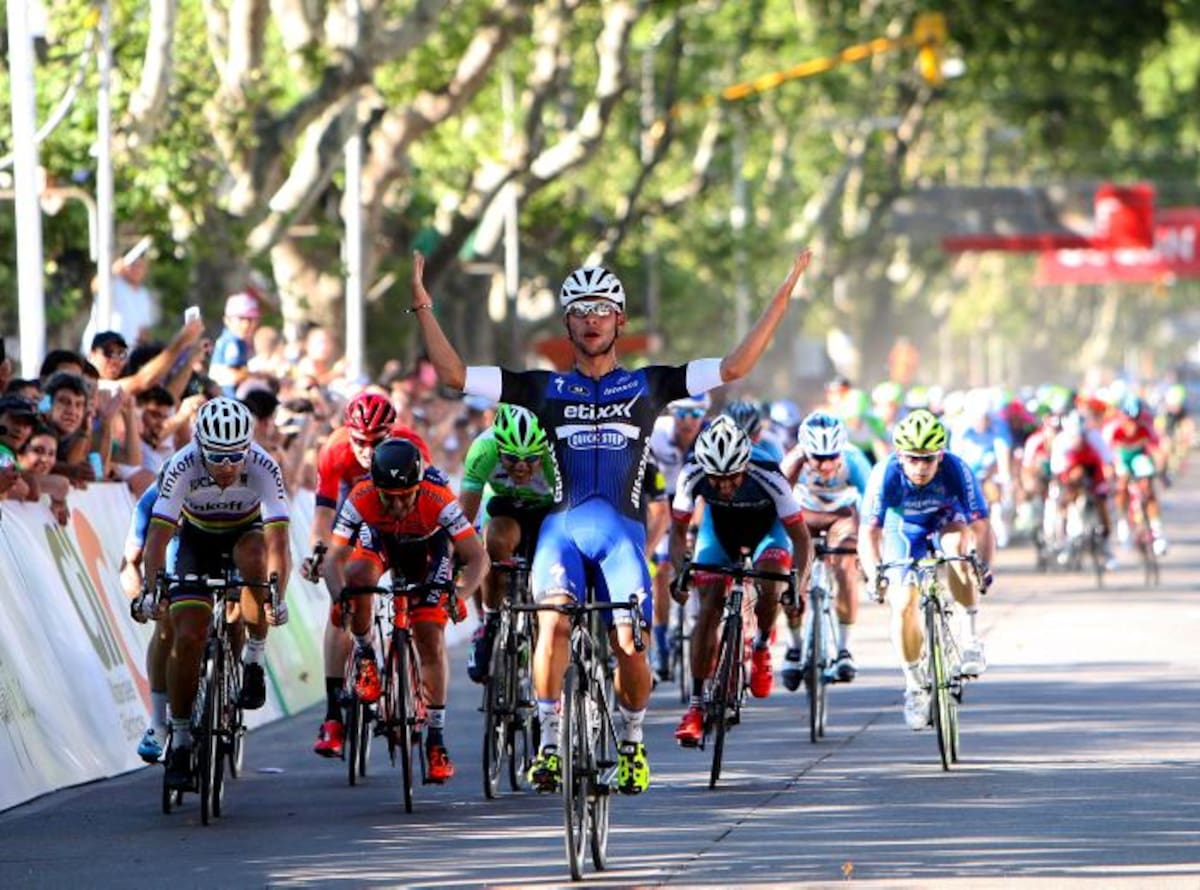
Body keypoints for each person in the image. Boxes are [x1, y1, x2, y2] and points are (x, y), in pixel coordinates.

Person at [411, 246, 812, 794]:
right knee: (552, 621)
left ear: (620, 320)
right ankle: (549, 743)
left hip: (622, 536)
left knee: (629, 640)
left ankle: (631, 742)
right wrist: (423, 305)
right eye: (580, 311)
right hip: (562, 532)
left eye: (602, 309)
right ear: (567, 323)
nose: (591, 320)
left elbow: (733, 367)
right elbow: (454, 374)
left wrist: (783, 295)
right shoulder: (543, 389)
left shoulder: (649, 385)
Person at [133, 397, 292, 789]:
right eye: (217, 457)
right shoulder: (182, 465)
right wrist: (152, 589)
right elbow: (158, 538)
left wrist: (277, 596)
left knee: (256, 558)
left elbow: (278, 544)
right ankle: (180, 739)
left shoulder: (264, 466)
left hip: (244, 534)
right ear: (200, 445)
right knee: (187, 634)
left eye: (236, 456)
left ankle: (253, 659)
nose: (227, 466)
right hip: (196, 540)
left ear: (248, 447)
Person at [322, 438, 489, 782]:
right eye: (389, 497)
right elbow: (333, 560)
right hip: (380, 542)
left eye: (406, 496)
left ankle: (436, 740)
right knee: (357, 578)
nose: (398, 505)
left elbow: (478, 558)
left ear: (419, 486)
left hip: (427, 549)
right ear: (376, 488)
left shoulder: (438, 497)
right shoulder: (362, 495)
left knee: (429, 635)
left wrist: (459, 595)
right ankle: (366, 655)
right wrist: (341, 598)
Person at [303, 391, 432, 758]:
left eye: (375, 442)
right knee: (342, 602)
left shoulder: (411, 446)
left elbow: (425, 504)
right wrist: (319, 552)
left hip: (401, 521)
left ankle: (406, 691)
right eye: (359, 440)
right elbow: (323, 515)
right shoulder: (335, 449)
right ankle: (333, 716)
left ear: (392, 434)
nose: (365, 450)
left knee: (419, 602)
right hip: (355, 516)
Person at [668, 417, 811, 746]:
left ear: (745, 465)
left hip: (767, 531)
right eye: (716, 479)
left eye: (732, 477)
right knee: (708, 607)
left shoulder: (769, 473)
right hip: (720, 531)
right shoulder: (692, 473)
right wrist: (680, 573)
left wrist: (797, 585)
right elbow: (677, 533)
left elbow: (802, 540)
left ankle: (760, 646)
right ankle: (696, 706)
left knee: (772, 585)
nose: (724, 486)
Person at [858, 409, 994, 732]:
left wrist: (984, 567)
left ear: (940, 456)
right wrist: (874, 574)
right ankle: (915, 686)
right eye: (913, 459)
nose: (920, 467)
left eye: (928, 459)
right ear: (899, 455)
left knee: (958, 549)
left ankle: (970, 639)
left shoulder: (956, 469)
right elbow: (869, 533)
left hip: (947, 521)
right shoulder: (884, 473)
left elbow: (981, 526)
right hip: (904, 530)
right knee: (904, 603)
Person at [457, 403, 556, 683]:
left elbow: (571, 512)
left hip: (546, 510)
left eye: (531, 459)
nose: (522, 467)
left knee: (550, 563)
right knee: (491, 544)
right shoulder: (483, 449)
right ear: (499, 448)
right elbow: (463, 520)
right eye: (512, 459)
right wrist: (456, 557)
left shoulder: (553, 452)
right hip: (504, 506)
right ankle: (489, 623)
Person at [780, 411, 871, 687]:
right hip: (803, 516)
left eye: (832, 456)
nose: (827, 464)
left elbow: (871, 508)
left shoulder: (854, 460)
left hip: (841, 517)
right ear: (805, 452)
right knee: (793, 577)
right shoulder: (793, 461)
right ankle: (794, 645)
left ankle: (843, 649)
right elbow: (777, 501)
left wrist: (867, 552)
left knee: (846, 568)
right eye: (818, 458)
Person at [647, 394, 709, 681]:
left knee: (699, 560)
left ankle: (699, 620)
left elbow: (706, 493)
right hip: (660, 502)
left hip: (693, 502)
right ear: (672, 414)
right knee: (661, 569)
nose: (688, 421)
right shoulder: (656, 434)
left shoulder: (709, 437)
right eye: (682, 414)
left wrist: (694, 531)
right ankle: (660, 642)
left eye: (695, 414)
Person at [1104, 394, 1167, 554]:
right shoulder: (1113, 429)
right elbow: (1104, 453)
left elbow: (1157, 449)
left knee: (1148, 489)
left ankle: (1157, 532)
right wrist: (1109, 472)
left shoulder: (1146, 426)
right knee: (1122, 483)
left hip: (1139, 457)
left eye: (1135, 420)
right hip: (1121, 458)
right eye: (1128, 420)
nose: (1132, 425)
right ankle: (1123, 522)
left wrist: (1161, 468)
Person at [210, 292, 262, 396]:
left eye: (251, 319)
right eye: (241, 319)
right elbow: (235, 374)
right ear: (227, 320)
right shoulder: (233, 341)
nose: (246, 324)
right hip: (228, 397)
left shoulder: (234, 339)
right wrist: (258, 376)